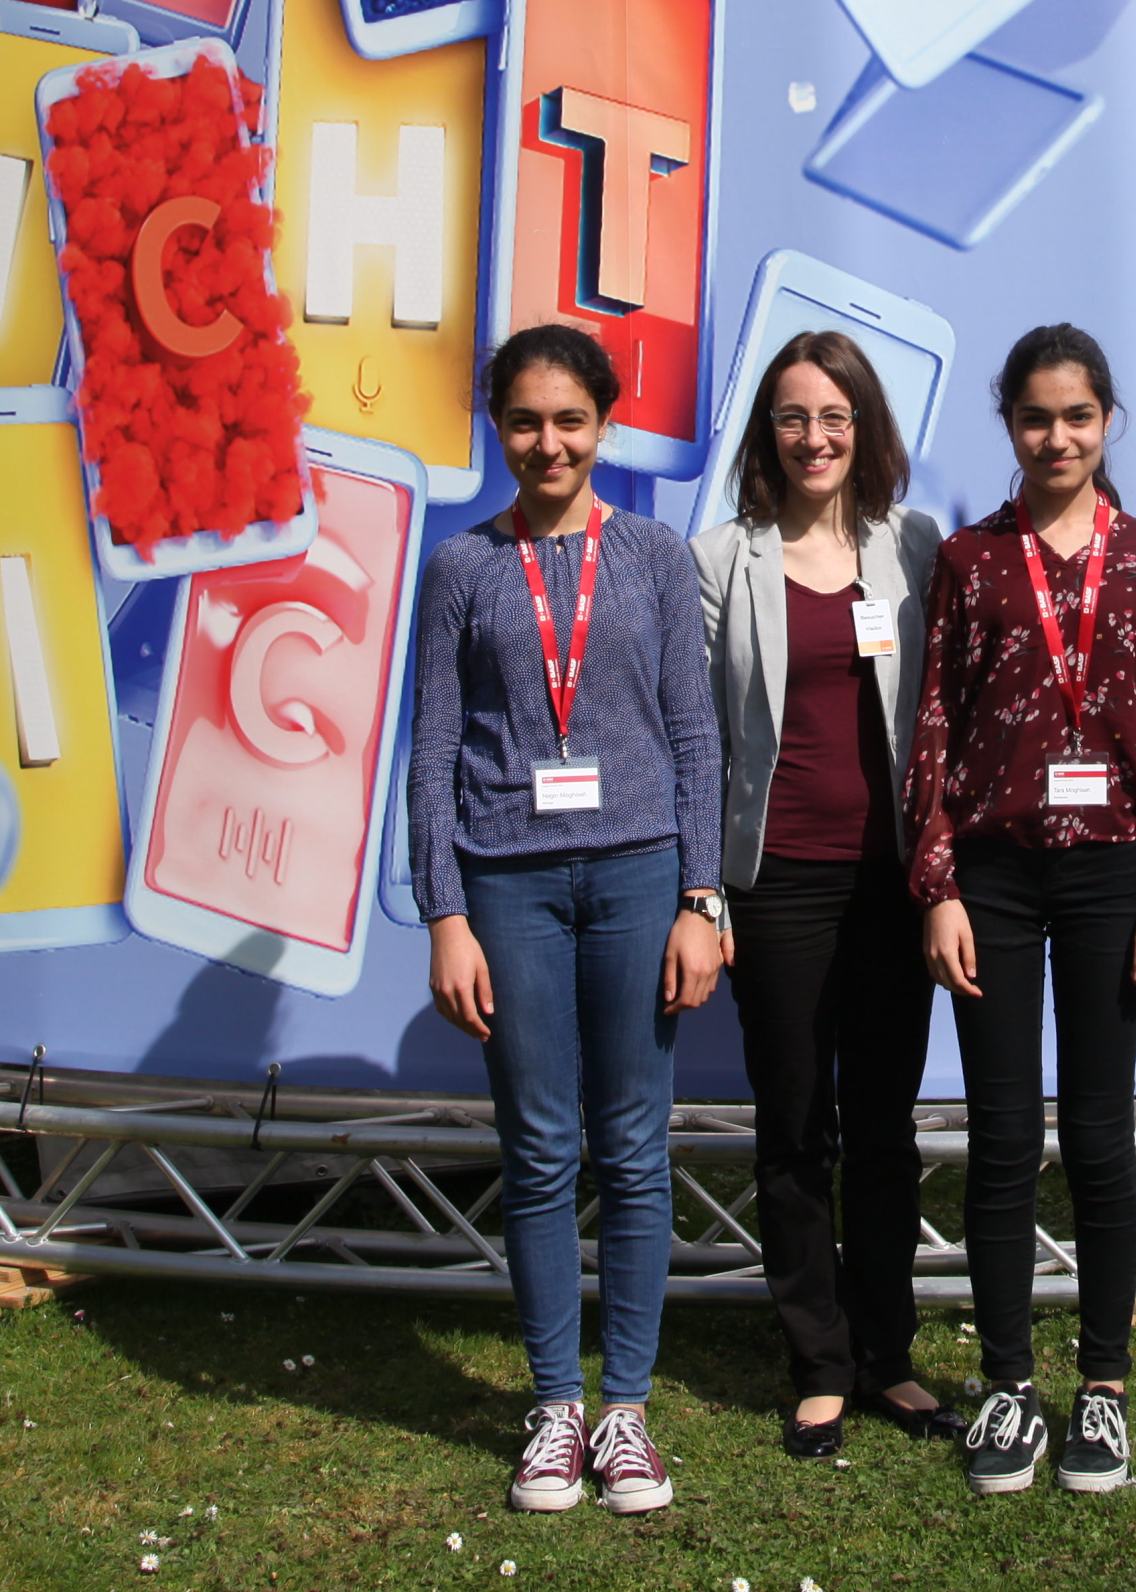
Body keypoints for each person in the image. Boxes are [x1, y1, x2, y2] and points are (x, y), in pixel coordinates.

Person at [407, 324, 723, 1515]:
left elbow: (693, 735)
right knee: (540, 1148)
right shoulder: (460, 567)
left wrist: (700, 896)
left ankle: (626, 1410)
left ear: (606, 423)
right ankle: (554, 1405)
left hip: (639, 874)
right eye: (526, 420)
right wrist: (445, 910)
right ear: (499, 426)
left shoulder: (654, 556)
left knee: (633, 1146)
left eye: (571, 419)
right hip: (509, 882)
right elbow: (433, 749)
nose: (549, 442)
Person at [905, 324, 1136, 1496]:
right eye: (1035, 417)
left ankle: (1103, 1388)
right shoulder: (973, 558)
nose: (1056, 437)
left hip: (1110, 872)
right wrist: (937, 881)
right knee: (1000, 1135)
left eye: (1077, 416)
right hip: (991, 872)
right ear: (1009, 423)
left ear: (1107, 420)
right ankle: (1006, 1385)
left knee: (1095, 1132)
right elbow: (934, 721)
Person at [693, 330, 960, 1460]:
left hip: (894, 884)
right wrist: (704, 896)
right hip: (779, 884)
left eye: (836, 416)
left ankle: (888, 1355)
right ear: (769, 432)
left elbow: (941, 716)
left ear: (866, 428)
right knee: (796, 1126)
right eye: (795, 416)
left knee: (886, 1130)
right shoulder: (721, 560)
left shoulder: (916, 546)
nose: (815, 437)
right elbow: (701, 741)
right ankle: (818, 1363)